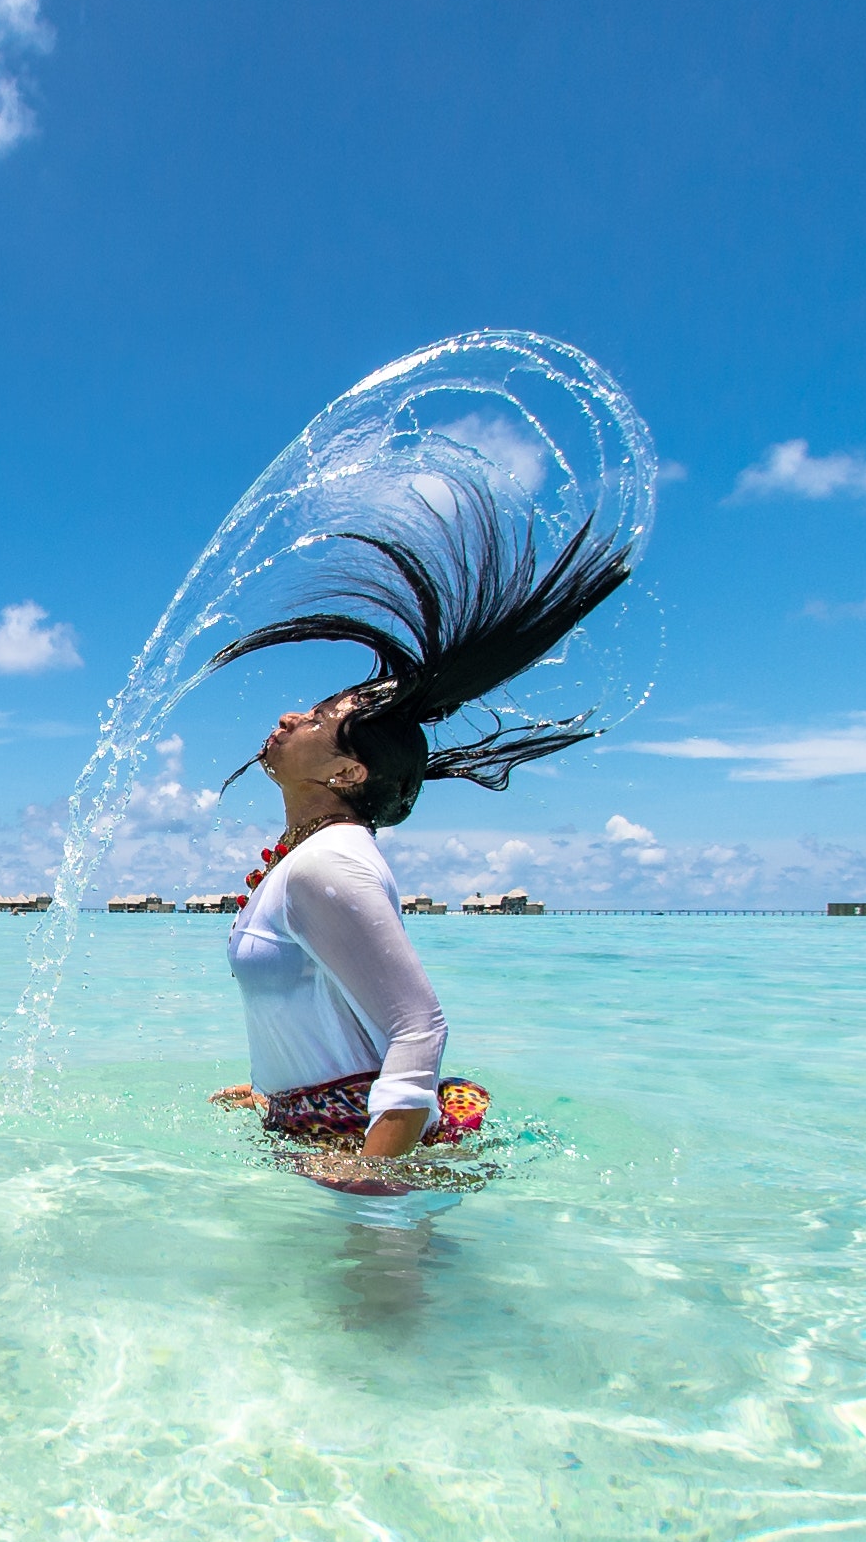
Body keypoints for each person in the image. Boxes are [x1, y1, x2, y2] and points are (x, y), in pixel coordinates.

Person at [203, 473, 634, 1195]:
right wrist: (276, 1091)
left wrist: (374, 1176)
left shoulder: (331, 861)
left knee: (382, 1309)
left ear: (347, 771)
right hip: (323, 1121)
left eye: (314, 721)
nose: (287, 718)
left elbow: (420, 1028)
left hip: (362, 1141)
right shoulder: (308, 859)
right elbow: (331, 996)